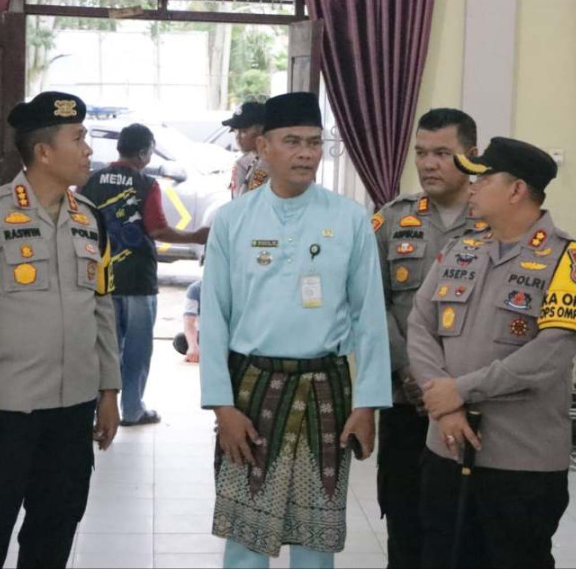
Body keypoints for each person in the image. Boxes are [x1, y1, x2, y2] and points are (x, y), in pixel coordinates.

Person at [200, 91, 392, 568]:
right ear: (263, 147)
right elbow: (214, 317)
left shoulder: (349, 218)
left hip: (325, 387)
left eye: (314, 142)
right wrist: (222, 406)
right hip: (250, 389)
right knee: (247, 532)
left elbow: (369, 317)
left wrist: (367, 405)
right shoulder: (233, 220)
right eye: (293, 142)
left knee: (315, 534)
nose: (307, 153)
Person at [407, 137, 576, 568]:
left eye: (483, 177)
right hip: (447, 445)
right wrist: (444, 402)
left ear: (517, 189)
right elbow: (420, 324)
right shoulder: (460, 249)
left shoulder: (570, 260)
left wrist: (460, 390)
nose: (471, 185)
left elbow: (549, 355)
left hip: (521, 460)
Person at [0, 91, 121, 568]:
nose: (88, 149)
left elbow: (101, 307)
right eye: (78, 138)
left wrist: (109, 390)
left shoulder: (89, 217)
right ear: (44, 151)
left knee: (55, 528)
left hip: (72, 409)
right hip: (7, 408)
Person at [371, 108, 480, 568]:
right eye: (421, 153)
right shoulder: (392, 219)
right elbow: (369, 305)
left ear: (471, 155)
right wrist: (409, 371)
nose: (428, 164)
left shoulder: (494, 219)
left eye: (442, 153)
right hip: (407, 401)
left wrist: (454, 388)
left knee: (466, 529)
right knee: (405, 519)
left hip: (474, 404)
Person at [80, 123, 209, 426]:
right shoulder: (146, 184)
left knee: (104, 348)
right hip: (138, 278)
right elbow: (157, 229)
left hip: (100, 278)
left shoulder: (89, 181)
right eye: (150, 151)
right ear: (142, 152)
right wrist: (195, 236)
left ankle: (100, 411)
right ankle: (132, 409)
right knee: (137, 348)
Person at [223, 101, 269, 197]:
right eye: (235, 131)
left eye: (243, 131)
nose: (238, 137)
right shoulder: (245, 162)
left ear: (261, 131)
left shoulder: (272, 163)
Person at [173, 279, 201, 363]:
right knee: (180, 341)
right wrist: (192, 346)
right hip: (206, 334)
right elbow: (189, 322)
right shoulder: (195, 289)